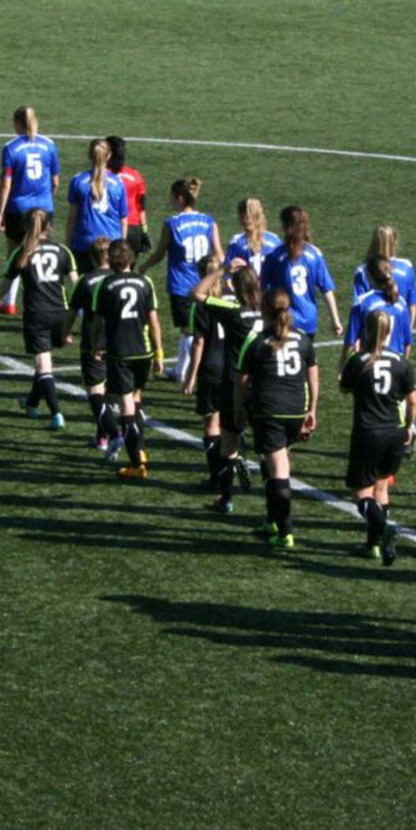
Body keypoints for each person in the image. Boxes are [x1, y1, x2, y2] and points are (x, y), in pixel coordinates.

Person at [237, 288, 319, 551]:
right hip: (296, 409)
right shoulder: (304, 339)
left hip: (269, 410)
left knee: (278, 471)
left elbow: (242, 380)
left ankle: (285, 530)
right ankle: (273, 520)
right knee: (277, 464)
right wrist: (312, 410)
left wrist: (239, 408)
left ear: (265, 310)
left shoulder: (258, 340)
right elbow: (313, 378)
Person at [339, 310, 416, 565]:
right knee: (381, 487)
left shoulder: (358, 360)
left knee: (361, 493)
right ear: (389, 332)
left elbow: (344, 388)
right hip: (395, 432)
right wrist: (408, 426)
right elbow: (413, 401)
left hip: (368, 432)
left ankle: (384, 530)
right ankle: (372, 544)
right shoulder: (401, 362)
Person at [0, 210, 75, 428]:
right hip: (60, 313)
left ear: (27, 227)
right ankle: (31, 403)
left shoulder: (22, 252)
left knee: (44, 365)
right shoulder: (63, 251)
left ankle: (57, 413)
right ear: (50, 226)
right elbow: (76, 282)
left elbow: (7, 283)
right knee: (43, 363)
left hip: (37, 315)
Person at [190, 261, 263, 512]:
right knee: (271, 448)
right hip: (264, 385)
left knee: (228, 442)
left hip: (234, 382)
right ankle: (273, 511)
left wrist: (220, 271)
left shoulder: (232, 309)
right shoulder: (268, 310)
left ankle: (225, 497)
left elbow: (197, 294)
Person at [139, 177, 222, 385]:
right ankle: (182, 369)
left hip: (182, 285)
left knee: (188, 330)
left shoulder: (173, 223)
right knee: (200, 328)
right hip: (206, 285)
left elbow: (160, 253)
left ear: (179, 198)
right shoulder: (208, 221)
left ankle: (183, 373)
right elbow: (219, 254)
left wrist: (145, 266)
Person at [97, 242, 164, 479]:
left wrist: (98, 345)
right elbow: (154, 322)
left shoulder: (107, 285)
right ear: (131, 259)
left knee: (126, 405)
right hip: (143, 351)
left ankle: (137, 463)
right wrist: (159, 353)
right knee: (136, 400)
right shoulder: (145, 283)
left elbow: (100, 321)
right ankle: (142, 449)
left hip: (120, 352)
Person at [0, 106, 59, 313]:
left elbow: (6, 184)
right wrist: (45, 199)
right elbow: (55, 181)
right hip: (44, 209)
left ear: (17, 123)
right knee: (41, 254)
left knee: (14, 255)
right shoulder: (49, 145)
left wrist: (1, 212)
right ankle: (46, 300)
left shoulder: (11, 148)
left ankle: (9, 302)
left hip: (18, 210)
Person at [259, 205, 341, 359]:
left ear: (284, 227)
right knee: (305, 361)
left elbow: (262, 289)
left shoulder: (274, 256)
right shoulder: (314, 254)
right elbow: (326, 289)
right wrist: (335, 319)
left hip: (283, 318)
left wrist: (263, 318)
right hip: (309, 319)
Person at [66, 237, 116, 450]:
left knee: (95, 393)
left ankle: (113, 433)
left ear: (92, 257)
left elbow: (72, 311)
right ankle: (102, 437)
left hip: (93, 341)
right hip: (118, 340)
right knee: (110, 391)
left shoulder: (85, 280)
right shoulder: (120, 277)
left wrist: (65, 332)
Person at [65, 138, 129, 273]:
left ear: (89, 155)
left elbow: (72, 217)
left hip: (84, 242)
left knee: (86, 288)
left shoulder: (77, 181)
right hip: (111, 243)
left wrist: (68, 242)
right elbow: (123, 220)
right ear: (109, 156)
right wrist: (121, 245)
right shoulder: (118, 183)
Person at [342, 255, 414, 361]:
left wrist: (342, 366)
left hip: (370, 363)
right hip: (396, 364)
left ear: (369, 277)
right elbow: (407, 342)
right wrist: (404, 364)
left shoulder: (363, 302)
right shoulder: (401, 303)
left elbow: (351, 342)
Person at [350, 224, 416, 328]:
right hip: (399, 332)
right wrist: (408, 330)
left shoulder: (363, 271)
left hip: (372, 333)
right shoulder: (407, 267)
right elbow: (412, 304)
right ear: (394, 242)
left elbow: (359, 308)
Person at [109, 137, 150, 255]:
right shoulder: (135, 175)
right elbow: (141, 206)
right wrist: (144, 231)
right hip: (133, 229)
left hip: (112, 227)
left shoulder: (100, 177)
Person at [225, 197, 282, 280]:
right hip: (269, 291)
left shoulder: (237, 242)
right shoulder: (275, 240)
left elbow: (227, 276)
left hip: (246, 291)